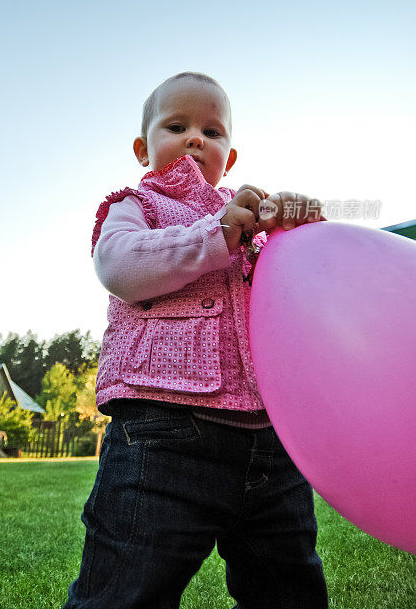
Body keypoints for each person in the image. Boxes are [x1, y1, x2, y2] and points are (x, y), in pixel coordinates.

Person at [63, 71, 329, 609]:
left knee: (290, 586)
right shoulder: (137, 206)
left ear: (229, 157)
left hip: (270, 444)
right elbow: (120, 265)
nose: (194, 139)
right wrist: (220, 233)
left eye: (212, 131)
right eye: (176, 126)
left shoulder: (256, 215)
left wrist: (304, 220)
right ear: (144, 148)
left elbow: (314, 277)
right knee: (126, 588)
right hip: (161, 434)